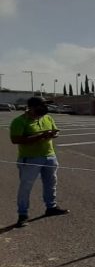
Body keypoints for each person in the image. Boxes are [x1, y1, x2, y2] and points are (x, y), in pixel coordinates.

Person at [9, 97, 69, 228]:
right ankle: (22, 215)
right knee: (26, 187)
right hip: (30, 159)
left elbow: (55, 131)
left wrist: (53, 134)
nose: (44, 108)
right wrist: (40, 136)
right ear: (31, 107)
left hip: (49, 156)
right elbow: (15, 139)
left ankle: (51, 207)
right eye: (41, 105)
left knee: (51, 183)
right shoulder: (19, 121)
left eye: (45, 105)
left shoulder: (47, 118)